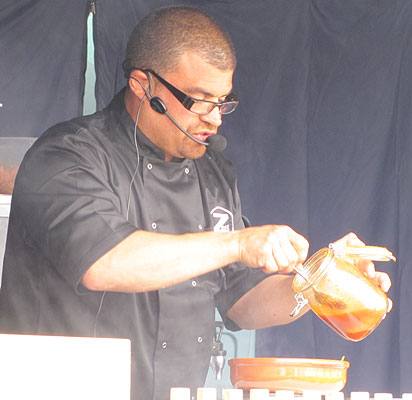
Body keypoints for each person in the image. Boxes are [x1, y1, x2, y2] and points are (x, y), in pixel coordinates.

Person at [0, 6, 391, 400]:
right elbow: (104, 264)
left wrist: (321, 282)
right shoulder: (68, 155)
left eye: (222, 102)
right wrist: (237, 243)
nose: (216, 119)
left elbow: (243, 302)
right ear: (143, 86)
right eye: (199, 100)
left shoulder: (212, 174)